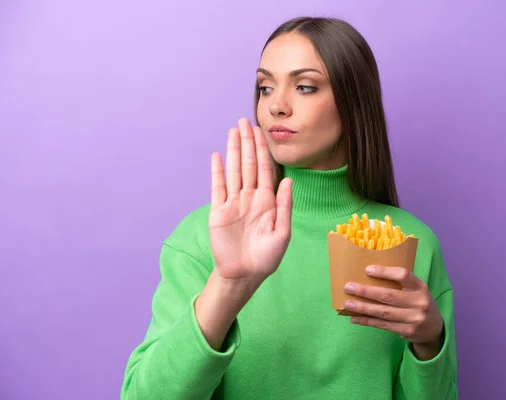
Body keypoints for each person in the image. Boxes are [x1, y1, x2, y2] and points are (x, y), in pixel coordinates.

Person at [121, 16, 458, 400]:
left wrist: (430, 344)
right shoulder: (204, 237)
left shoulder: (409, 243)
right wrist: (228, 285)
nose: (276, 106)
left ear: (353, 102)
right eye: (265, 87)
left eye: (305, 87)